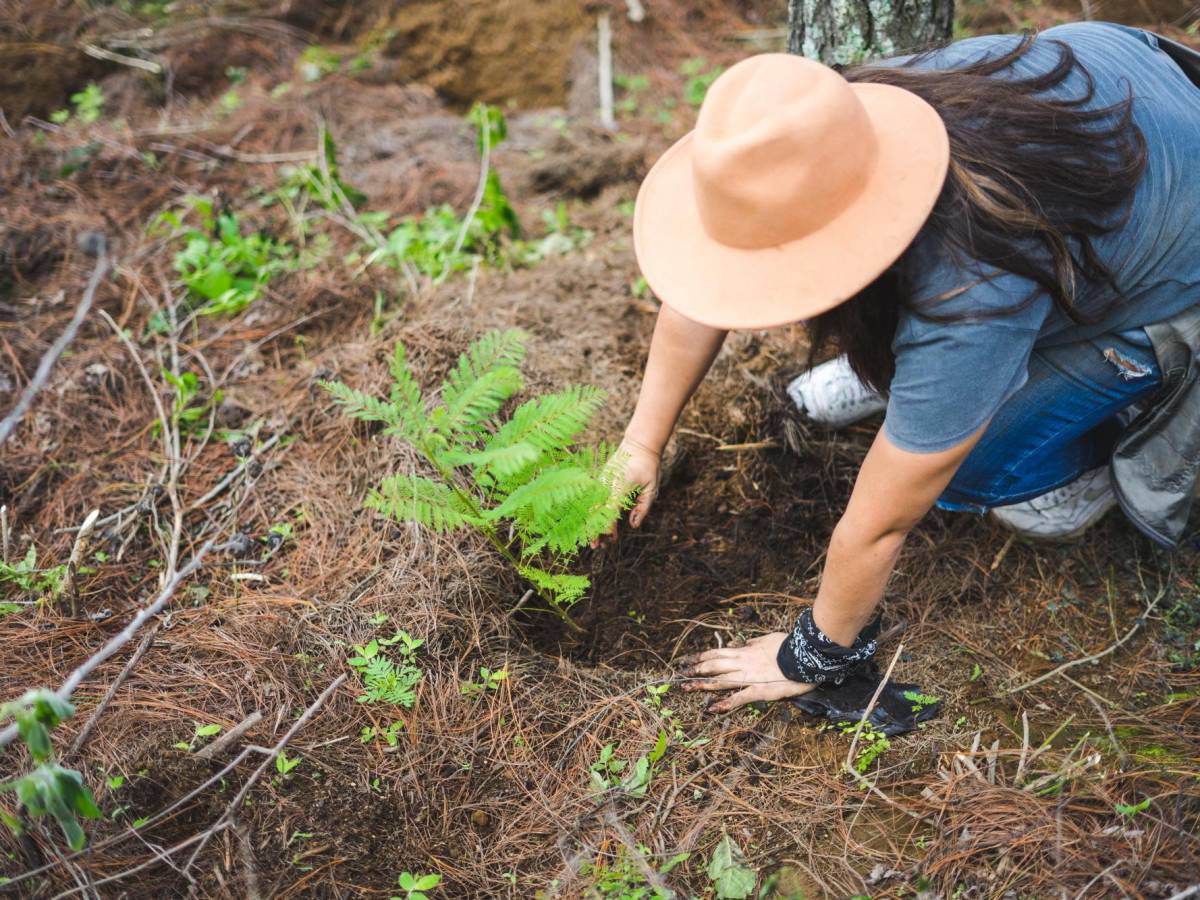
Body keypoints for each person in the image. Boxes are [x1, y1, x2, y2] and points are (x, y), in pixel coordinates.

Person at [604, 22, 1200, 713]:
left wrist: (815, 651)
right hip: (1136, 108)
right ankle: (953, 382)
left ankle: (1090, 458)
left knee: (969, 472)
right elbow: (703, 285)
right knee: (949, 380)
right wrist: (639, 444)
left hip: (1176, 265)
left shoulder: (971, 284)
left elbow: (884, 519)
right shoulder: (841, 121)